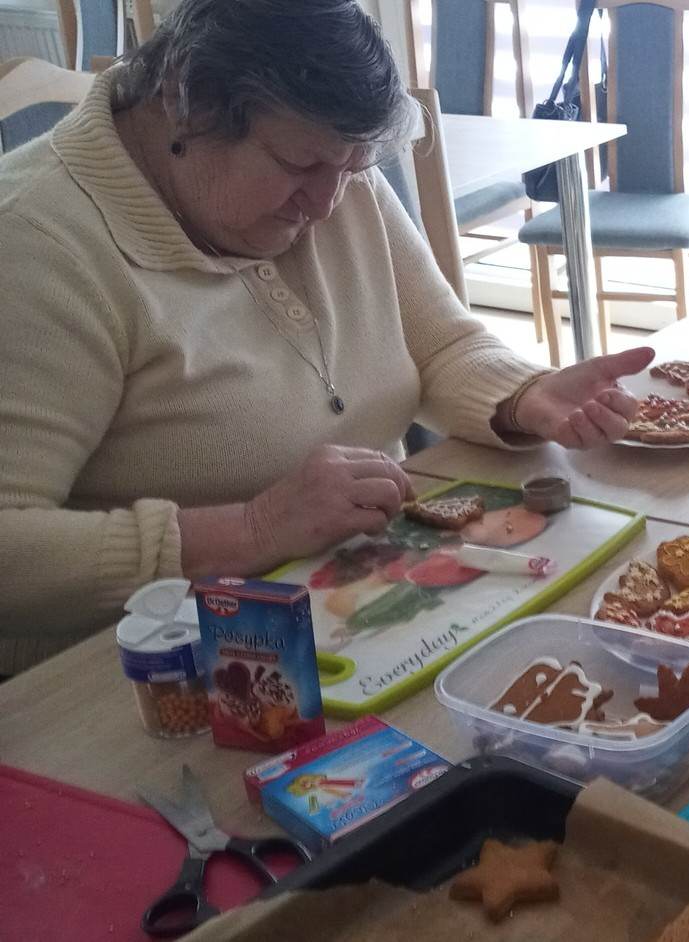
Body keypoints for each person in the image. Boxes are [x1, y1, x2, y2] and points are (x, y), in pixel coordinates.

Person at [0, 0, 654, 675]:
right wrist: (249, 530)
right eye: (297, 164)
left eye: (353, 167)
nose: (326, 204)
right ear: (184, 105)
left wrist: (523, 397)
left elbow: (441, 344)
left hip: (365, 603)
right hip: (144, 671)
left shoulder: (330, 168)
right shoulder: (34, 246)